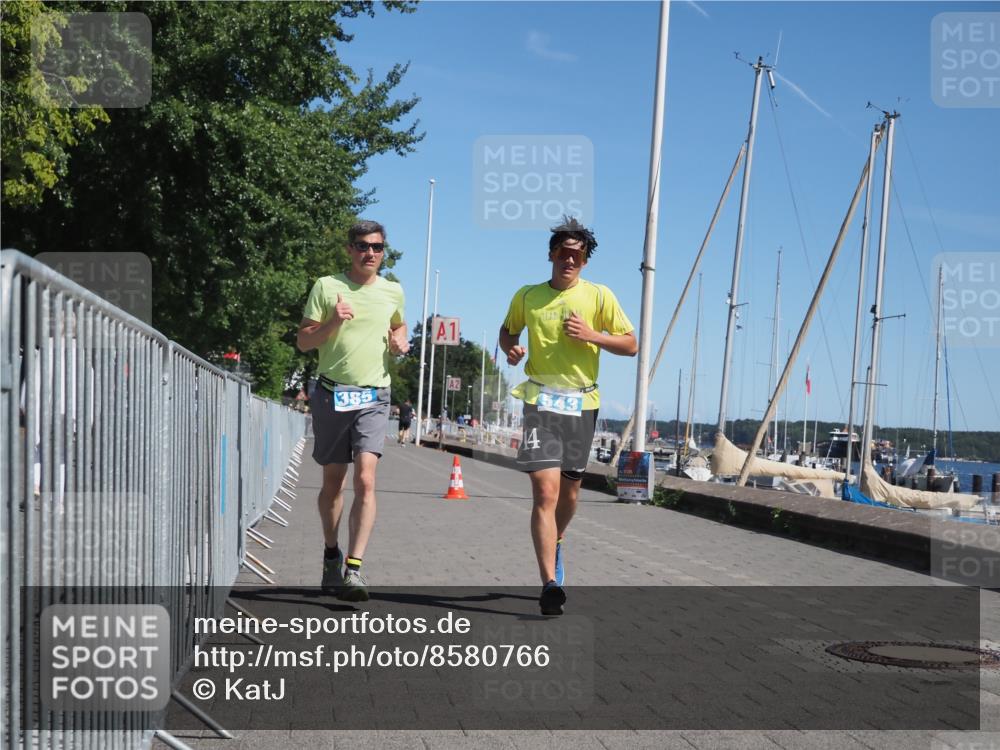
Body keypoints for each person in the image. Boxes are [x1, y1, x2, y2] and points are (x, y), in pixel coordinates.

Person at [499, 217, 637, 615]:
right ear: (551, 254)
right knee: (545, 492)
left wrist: (593, 336)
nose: (570, 259)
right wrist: (511, 349)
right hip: (540, 402)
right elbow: (507, 331)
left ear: (586, 260)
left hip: (581, 405)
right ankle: (549, 584)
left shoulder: (599, 297)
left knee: (570, 493)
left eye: (578, 254)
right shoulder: (527, 296)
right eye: (563, 252)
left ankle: (557, 540)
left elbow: (631, 345)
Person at [297, 220, 409, 602]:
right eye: (362, 246)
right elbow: (303, 341)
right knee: (333, 484)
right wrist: (333, 321)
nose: (370, 253)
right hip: (331, 394)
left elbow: (400, 325)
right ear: (349, 249)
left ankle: (354, 569)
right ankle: (332, 552)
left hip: (375, 395)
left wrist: (400, 340)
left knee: (366, 478)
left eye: (377, 247)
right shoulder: (327, 286)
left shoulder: (393, 290)